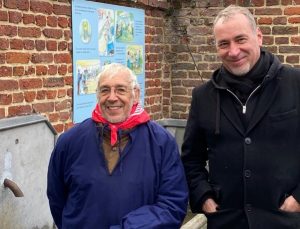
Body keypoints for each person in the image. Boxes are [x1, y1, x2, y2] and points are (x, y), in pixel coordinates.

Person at [181, 5, 300, 229]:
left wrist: (298, 200)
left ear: (259, 37)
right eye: (223, 43)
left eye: (240, 39)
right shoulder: (203, 96)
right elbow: (191, 159)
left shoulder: (295, 84)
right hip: (227, 221)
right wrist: (204, 198)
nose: (233, 51)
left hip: (286, 221)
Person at [47, 63, 188, 229]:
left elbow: (172, 206)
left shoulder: (161, 143)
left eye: (121, 89)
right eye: (105, 90)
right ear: (97, 95)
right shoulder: (70, 141)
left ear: (135, 94)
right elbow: (57, 200)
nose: (112, 97)